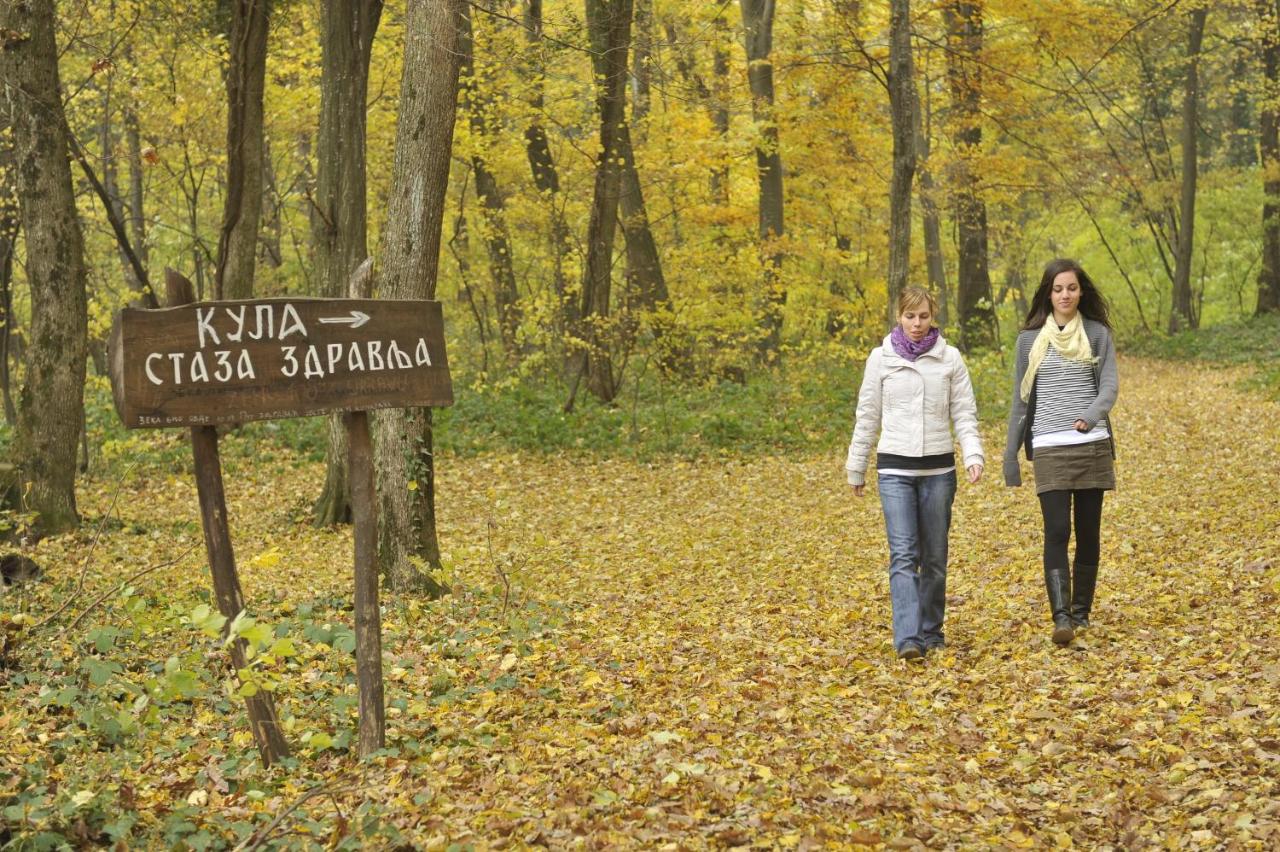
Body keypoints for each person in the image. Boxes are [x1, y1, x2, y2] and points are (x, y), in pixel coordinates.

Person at [846, 287, 984, 661]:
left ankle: (931, 631)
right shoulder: (881, 359)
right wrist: (856, 465)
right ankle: (908, 637)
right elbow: (867, 414)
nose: (917, 324)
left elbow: (964, 413)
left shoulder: (950, 359)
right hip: (894, 469)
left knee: (935, 556)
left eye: (923, 316)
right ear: (899, 316)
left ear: (932, 316)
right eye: (910, 316)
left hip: (939, 470)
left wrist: (973, 453)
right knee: (904, 554)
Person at [1003, 258, 1118, 647]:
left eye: (1071, 288)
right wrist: (1010, 456)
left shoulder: (1098, 334)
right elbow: (1020, 401)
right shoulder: (1028, 340)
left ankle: (1082, 612)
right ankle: (1062, 617)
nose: (1065, 295)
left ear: (1080, 290)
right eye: (1058, 289)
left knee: (1088, 533)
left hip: (1091, 445)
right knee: (1056, 530)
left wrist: (1090, 415)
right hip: (1049, 445)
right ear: (1048, 293)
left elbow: (1109, 388)